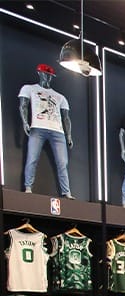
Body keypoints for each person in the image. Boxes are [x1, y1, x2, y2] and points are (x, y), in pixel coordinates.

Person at [19, 63, 73, 198]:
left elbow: (66, 118)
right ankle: (28, 186)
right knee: (32, 158)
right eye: (45, 74)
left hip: (57, 130)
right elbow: (23, 106)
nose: (47, 77)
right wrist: (25, 122)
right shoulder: (29, 89)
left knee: (62, 163)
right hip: (38, 127)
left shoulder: (60, 97)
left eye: (49, 75)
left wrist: (69, 135)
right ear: (39, 73)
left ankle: (66, 191)